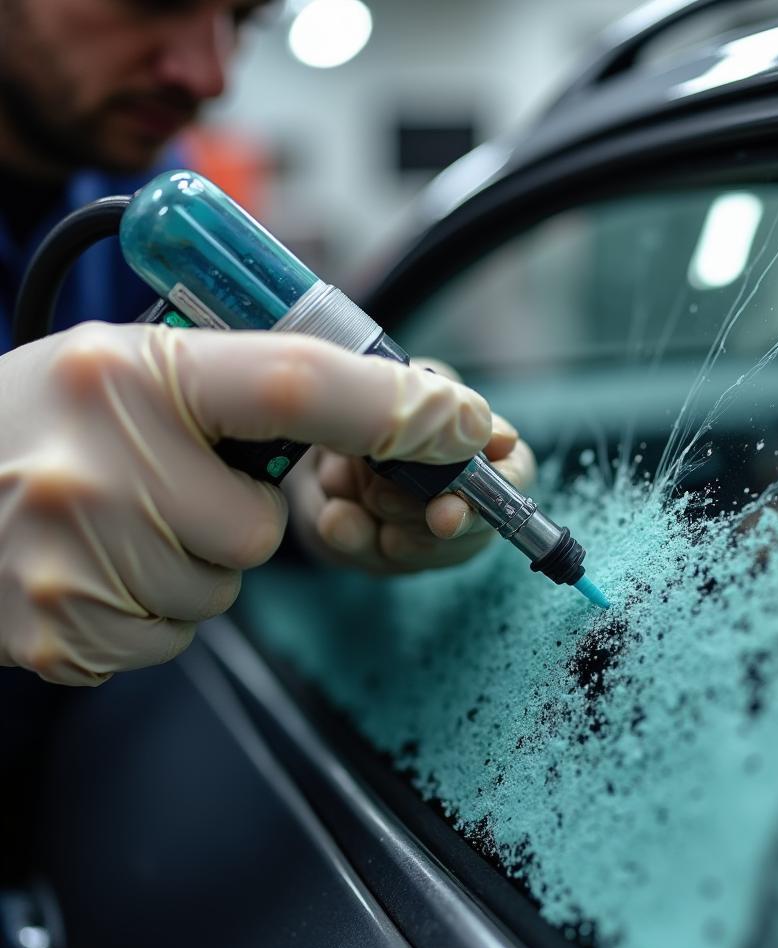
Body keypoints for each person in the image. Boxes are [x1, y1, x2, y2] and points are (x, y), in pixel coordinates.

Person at [0, 0, 535, 686]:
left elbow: (190, 418)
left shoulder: (146, 195)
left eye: (245, 19)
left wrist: (326, 483)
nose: (210, 73)